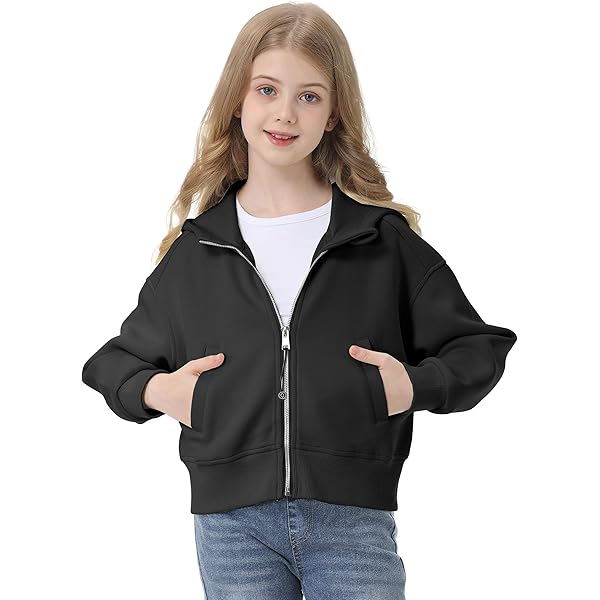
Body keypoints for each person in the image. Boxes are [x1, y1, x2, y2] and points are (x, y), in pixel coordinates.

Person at [81, 3, 517, 598]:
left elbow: (479, 347)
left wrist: (413, 387)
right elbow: (111, 363)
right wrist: (162, 391)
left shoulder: (380, 241)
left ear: (334, 113)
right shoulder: (198, 251)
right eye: (267, 89)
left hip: (352, 522)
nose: (285, 112)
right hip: (231, 529)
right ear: (238, 99)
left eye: (309, 96)